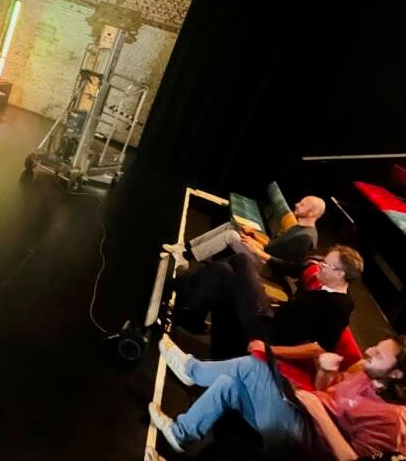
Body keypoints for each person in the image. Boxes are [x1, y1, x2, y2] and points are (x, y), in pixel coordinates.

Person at [150, 334, 406, 458]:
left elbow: (349, 459)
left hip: (303, 443)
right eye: (375, 346)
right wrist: (326, 372)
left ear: (396, 374)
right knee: (229, 384)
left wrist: (318, 412)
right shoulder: (366, 373)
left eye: (379, 354)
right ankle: (180, 434)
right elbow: (325, 393)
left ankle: (191, 370)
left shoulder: (392, 421)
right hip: (299, 416)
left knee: (253, 366)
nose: (369, 351)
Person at [176, 246, 363, 360]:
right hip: (268, 314)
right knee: (223, 270)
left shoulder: (340, 307)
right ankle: (190, 313)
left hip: (266, 330)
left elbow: (319, 348)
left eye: (326, 264)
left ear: (340, 274)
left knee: (240, 260)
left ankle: (186, 293)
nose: (320, 266)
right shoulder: (327, 289)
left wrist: (269, 349)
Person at [165, 196, 326, 274]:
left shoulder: (305, 238)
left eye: (302, 204)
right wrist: (255, 236)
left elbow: (287, 268)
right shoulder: (299, 226)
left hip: (268, 269)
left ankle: (185, 258)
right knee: (234, 225)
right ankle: (185, 247)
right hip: (263, 255)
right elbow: (274, 245)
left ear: (312, 213)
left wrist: (257, 250)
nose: (297, 204)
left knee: (232, 236)